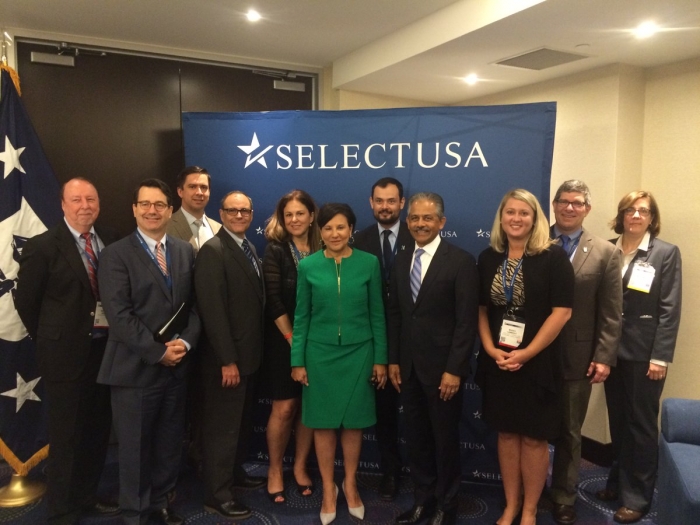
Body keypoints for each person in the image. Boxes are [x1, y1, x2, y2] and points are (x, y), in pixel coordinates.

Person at [15, 178, 120, 525]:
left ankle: (88, 495)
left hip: (105, 353)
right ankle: (62, 508)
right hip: (65, 357)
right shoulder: (44, 246)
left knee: (96, 430)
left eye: (91, 198)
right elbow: (27, 302)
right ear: (63, 205)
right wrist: (53, 338)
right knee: (66, 436)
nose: (85, 205)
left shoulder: (110, 240)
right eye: (76, 199)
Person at [97, 178, 200, 525]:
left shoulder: (185, 251)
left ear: (170, 210)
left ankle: (160, 503)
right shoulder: (114, 254)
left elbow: (195, 307)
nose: (152, 210)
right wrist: (158, 352)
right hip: (134, 369)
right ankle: (136, 514)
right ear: (134, 210)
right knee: (135, 449)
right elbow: (119, 315)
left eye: (159, 205)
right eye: (145, 204)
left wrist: (185, 343)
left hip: (177, 367)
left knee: (170, 443)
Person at [475, 189, 574, 525]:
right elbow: (481, 309)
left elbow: (561, 313)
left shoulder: (553, 257)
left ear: (536, 219)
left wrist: (527, 353)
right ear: (501, 218)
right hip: (499, 360)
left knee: (533, 437)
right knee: (505, 433)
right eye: (510, 212)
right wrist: (489, 349)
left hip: (538, 362)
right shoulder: (489, 257)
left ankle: (530, 509)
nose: (516, 219)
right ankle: (511, 504)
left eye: (524, 213)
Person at [291, 203, 387, 525]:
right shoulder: (308, 266)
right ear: (320, 230)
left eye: (341, 227)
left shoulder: (369, 264)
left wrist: (381, 359)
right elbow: (301, 317)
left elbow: (378, 315)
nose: (335, 234)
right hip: (319, 356)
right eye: (328, 228)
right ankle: (329, 490)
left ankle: (350, 483)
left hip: (360, 353)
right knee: (323, 423)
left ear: (351, 230)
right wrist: (298, 360)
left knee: (354, 422)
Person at [387, 192, 479, 525]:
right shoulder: (400, 258)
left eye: (428, 218)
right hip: (408, 370)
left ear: (441, 222)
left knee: (444, 442)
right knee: (417, 441)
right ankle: (422, 501)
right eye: (414, 218)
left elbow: (466, 322)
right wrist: (394, 359)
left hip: (443, 373)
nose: (420, 224)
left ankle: (447, 505)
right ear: (407, 221)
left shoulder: (461, 261)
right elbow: (397, 313)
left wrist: (454, 370)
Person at [597, 190, 682, 524]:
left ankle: (639, 496)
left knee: (642, 426)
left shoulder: (665, 253)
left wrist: (660, 356)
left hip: (645, 355)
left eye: (643, 210)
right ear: (621, 215)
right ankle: (618, 483)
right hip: (610, 352)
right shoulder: (608, 248)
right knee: (618, 421)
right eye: (630, 209)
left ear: (651, 217)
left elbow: (670, 308)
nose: (636, 215)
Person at [548, 180, 623, 525]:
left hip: (577, 357)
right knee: (527, 428)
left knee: (569, 431)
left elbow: (611, 312)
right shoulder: (534, 240)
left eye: (577, 203)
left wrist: (604, 356)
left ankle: (563, 496)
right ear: (554, 204)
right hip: (531, 354)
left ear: (587, 209)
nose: (569, 208)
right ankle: (528, 488)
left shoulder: (606, 252)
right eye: (563, 201)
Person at [194, 191, 266, 520]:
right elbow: (213, 311)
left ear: (251, 214)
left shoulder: (248, 247)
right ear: (221, 214)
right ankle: (217, 495)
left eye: (244, 210)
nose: (239, 215)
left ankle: (234, 475)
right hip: (227, 361)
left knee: (238, 426)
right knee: (221, 430)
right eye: (232, 210)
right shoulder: (214, 250)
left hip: (248, 356)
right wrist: (227, 360)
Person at [353, 177, 412, 500]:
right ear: (371, 202)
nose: (385, 206)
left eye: (391, 200)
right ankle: (390, 471)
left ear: (402, 203)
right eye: (379, 200)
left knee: (419, 415)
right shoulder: (358, 240)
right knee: (385, 413)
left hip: (414, 341)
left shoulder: (418, 236)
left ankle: (424, 476)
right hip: (373, 339)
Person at [260, 189, 319, 503]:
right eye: (289, 215)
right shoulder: (276, 251)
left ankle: (298, 467)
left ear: (311, 216)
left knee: (308, 409)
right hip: (284, 340)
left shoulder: (325, 247)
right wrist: (293, 340)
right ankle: (274, 470)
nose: (295, 219)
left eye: (300, 213)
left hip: (319, 342)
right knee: (284, 408)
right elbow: (273, 300)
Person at [166, 165, 221, 253]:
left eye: (203, 187)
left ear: (209, 192)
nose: (199, 192)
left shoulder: (219, 229)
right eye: (192, 187)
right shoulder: (165, 226)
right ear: (180, 192)